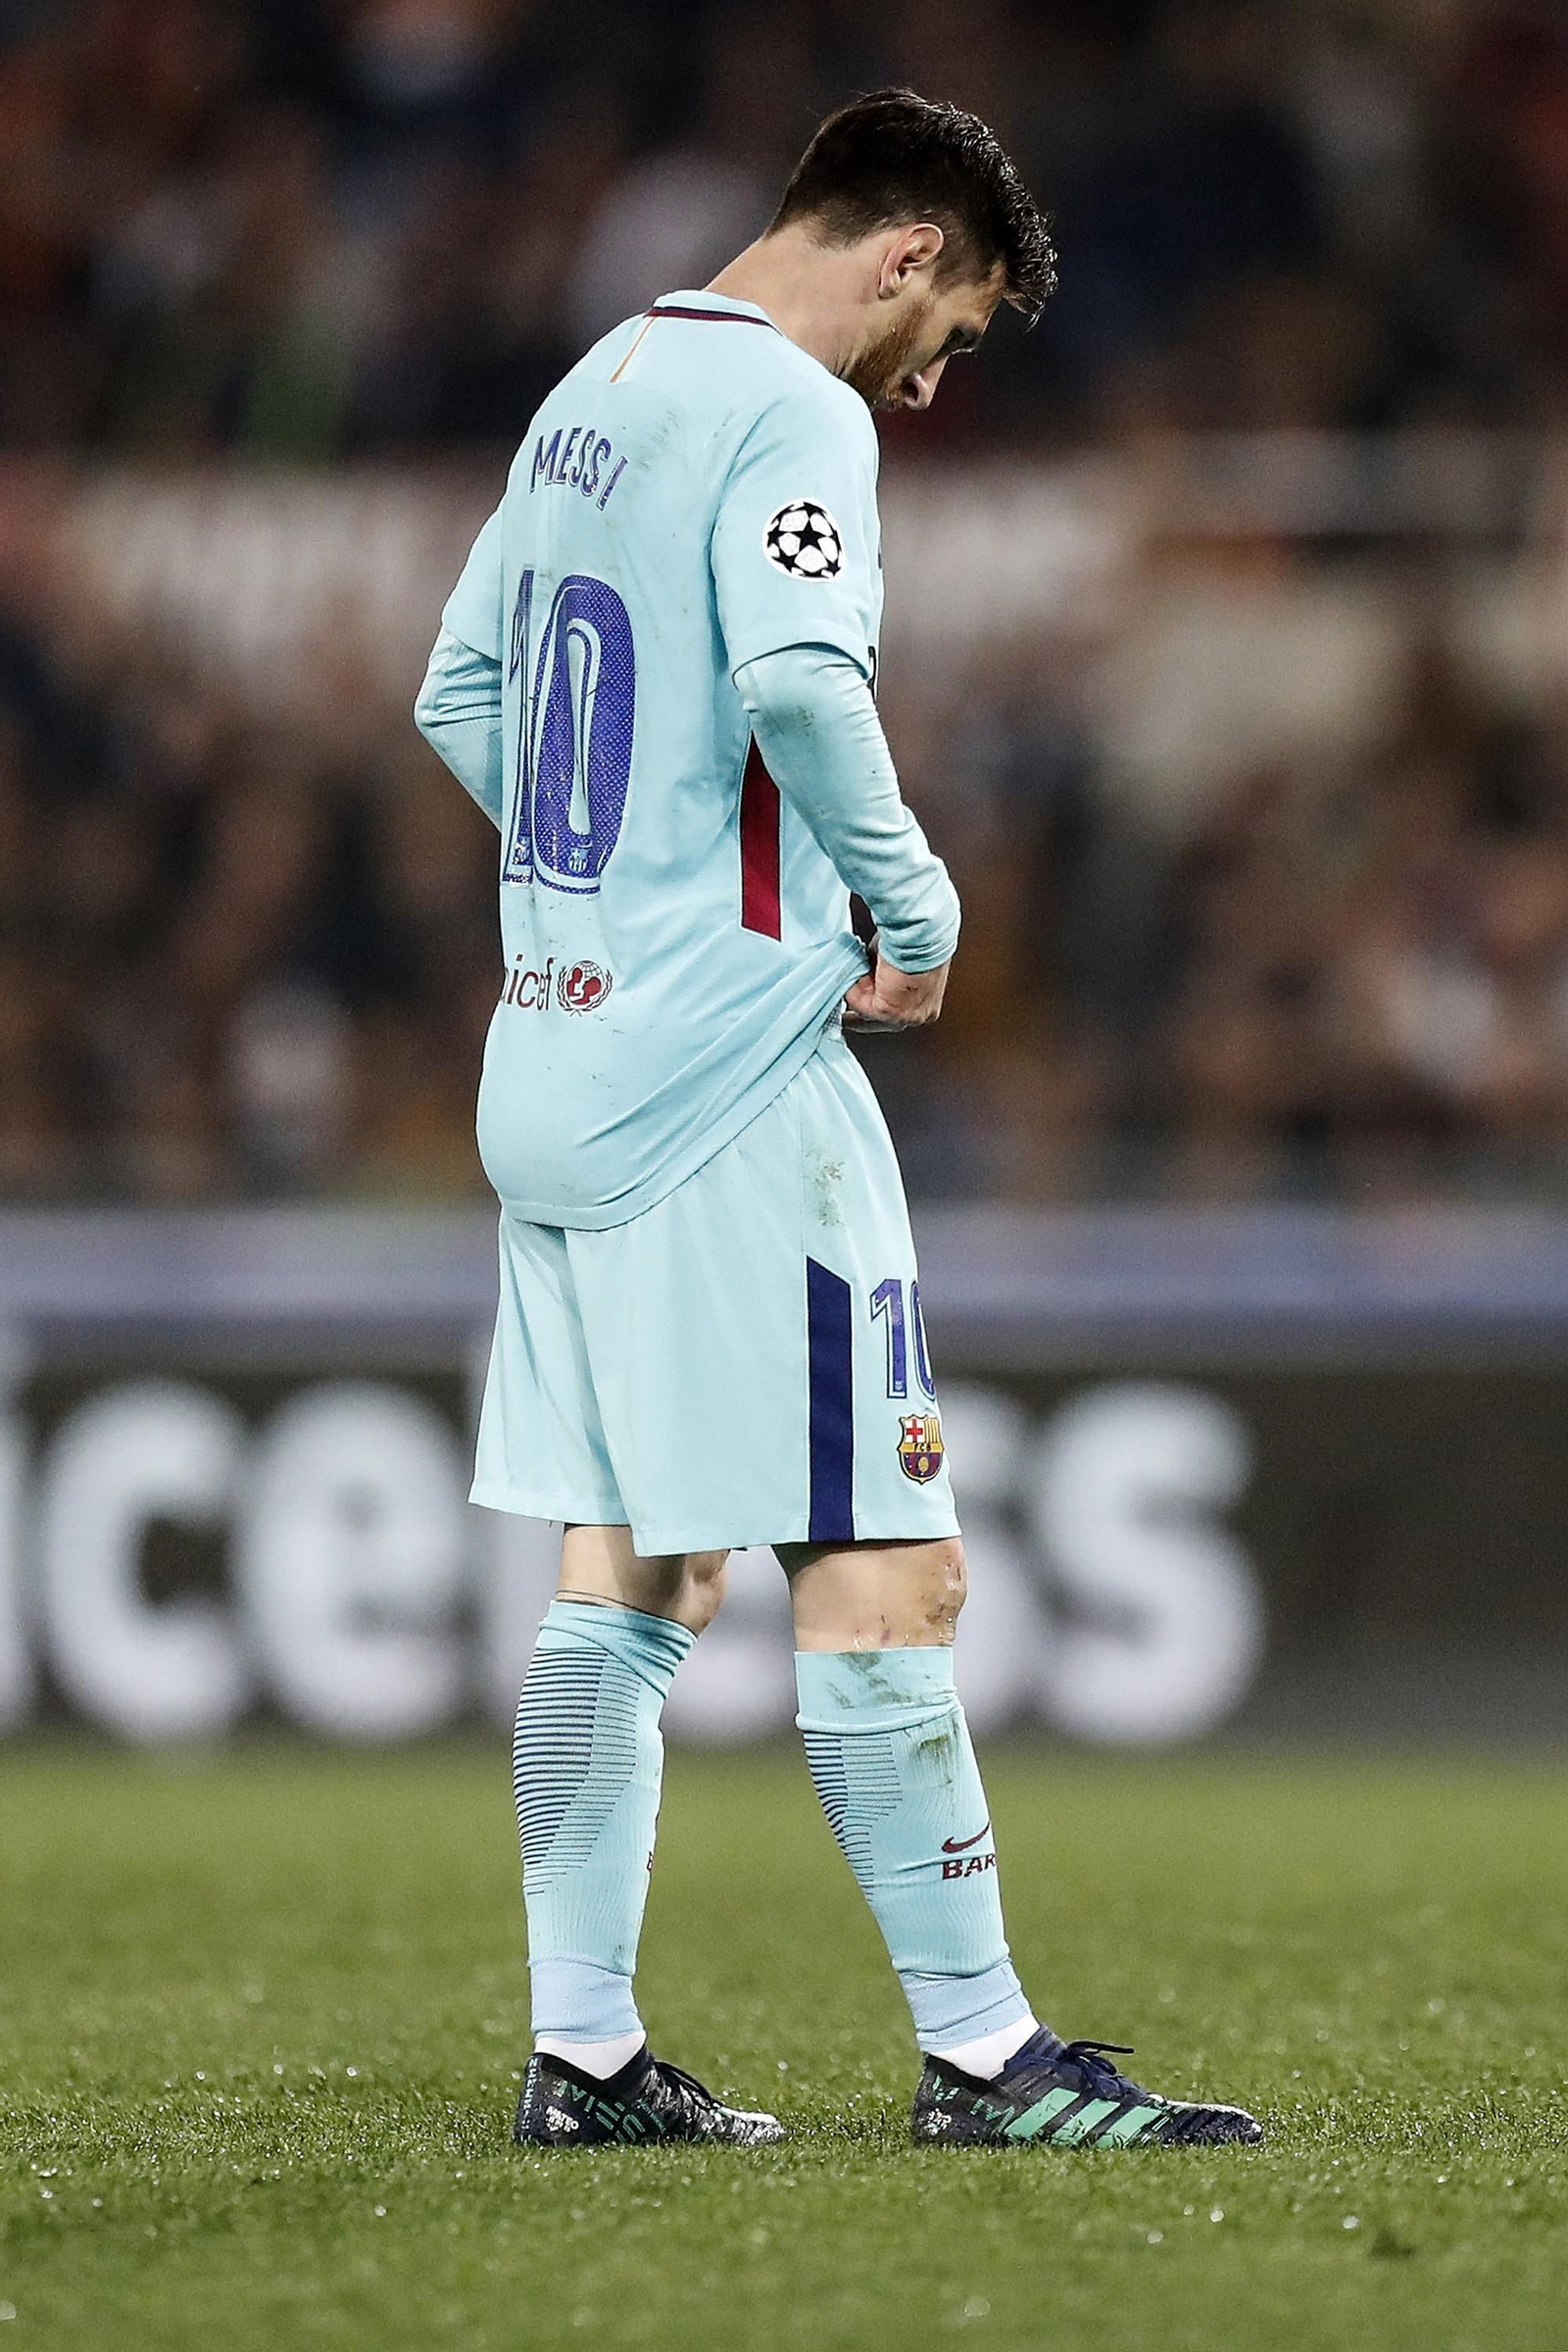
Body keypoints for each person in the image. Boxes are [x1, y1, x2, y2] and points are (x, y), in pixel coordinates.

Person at [416, 88, 1262, 2152]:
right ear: (901, 250)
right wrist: (916, 895)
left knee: (628, 1579)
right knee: (888, 1563)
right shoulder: (797, 413)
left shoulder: (587, 394)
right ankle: (985, 2058)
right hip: (724, 1080)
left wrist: (605, 904)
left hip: (553, 1057)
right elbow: (801, 682)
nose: (934, 374)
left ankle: (583, 2053)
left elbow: (460, 700)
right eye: (951, 328)